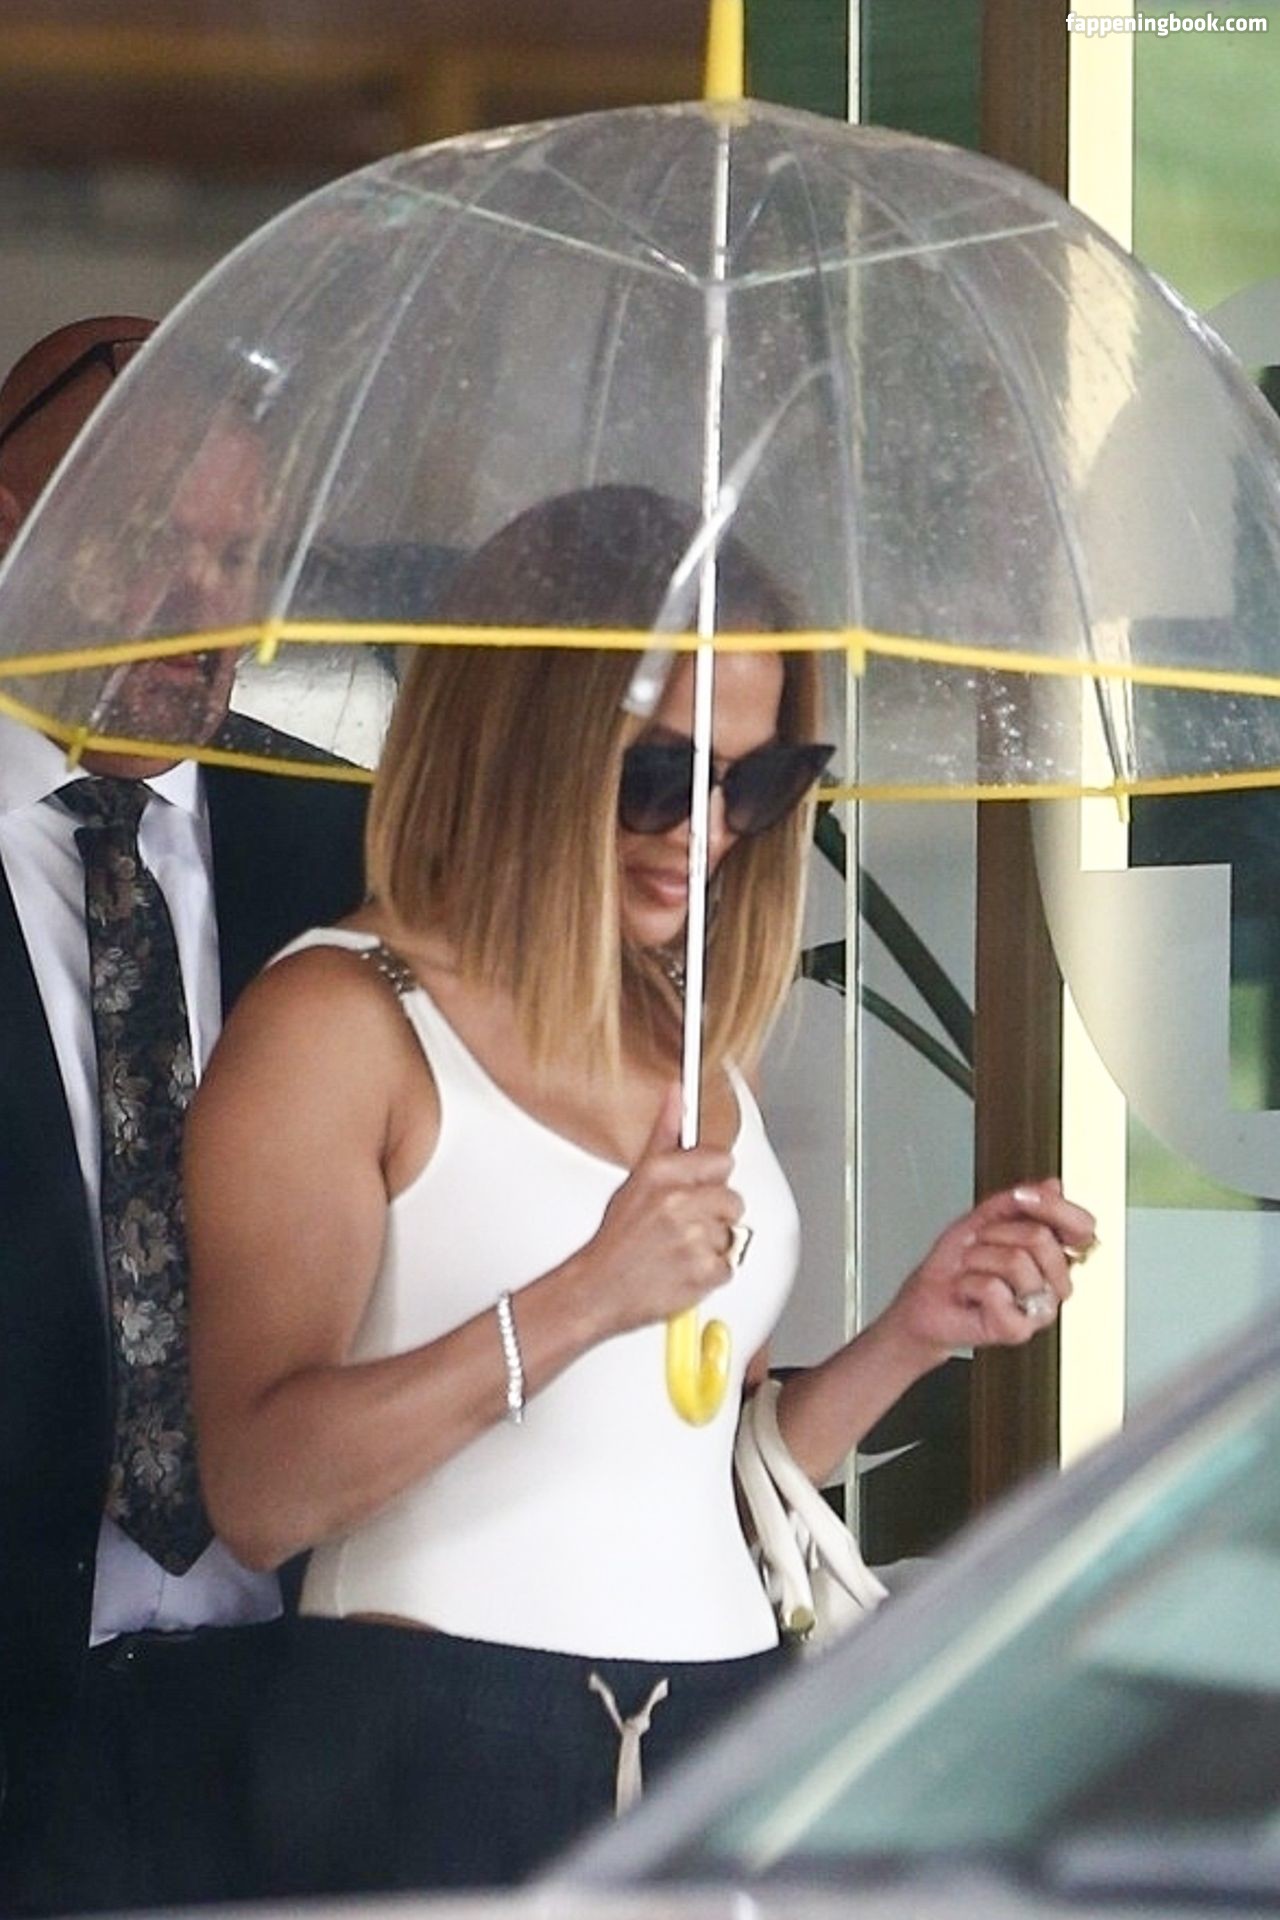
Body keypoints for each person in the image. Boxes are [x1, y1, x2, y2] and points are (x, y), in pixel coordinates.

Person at [186, 484, 1095, 1896]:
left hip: (723, 1724)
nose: (707, 829)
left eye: (759, 781)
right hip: (444, 1738)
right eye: (661, 775)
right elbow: (259, 1492)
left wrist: (919, 1330)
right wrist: (583, 1297)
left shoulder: (690, 1033)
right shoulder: (342, 1019)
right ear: (524, 744)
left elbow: (684, 1464)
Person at [0, 316, 369, 1913]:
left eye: (238, 556)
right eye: (155, 544)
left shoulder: (357, 843)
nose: (206, 604)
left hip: (304, 1705)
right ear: (14, 528)